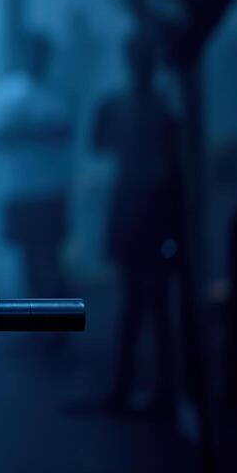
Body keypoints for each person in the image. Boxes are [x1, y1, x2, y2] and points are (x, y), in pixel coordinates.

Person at [90, 34, 180, 416]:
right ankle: (138, 387)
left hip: (147, 205)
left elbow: (101, 143)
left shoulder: (158, 107)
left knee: (151, 300)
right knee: (140, 300)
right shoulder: (149, 107)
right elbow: (99, 143)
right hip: (138, 204)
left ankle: (150, 389)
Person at [0, 32, 74, 301]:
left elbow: (64, 132)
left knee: (48, 256)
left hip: (49, 187)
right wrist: (36, 131)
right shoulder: (5, 91)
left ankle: (56, 325)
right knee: (27, 258)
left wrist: (23, 130)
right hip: (19, 187)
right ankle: (40, 325)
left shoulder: (59, 90)